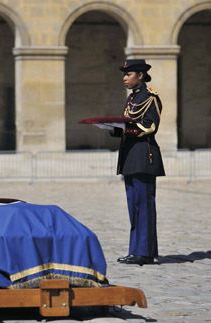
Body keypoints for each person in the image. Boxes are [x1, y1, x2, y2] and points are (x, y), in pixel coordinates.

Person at [111, 59, 165, 266]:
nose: (125, 78)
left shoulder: (151, 98)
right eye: (124, 75)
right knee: (134, 206)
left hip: (144, 155)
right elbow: (126, 124)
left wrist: (128, 130)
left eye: (128, 74)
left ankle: (146, 252)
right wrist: (112, 128)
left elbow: (150, 127)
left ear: (140, 75)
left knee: (144, 205)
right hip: (129, 157)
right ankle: (137, 250)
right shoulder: (131, 99)